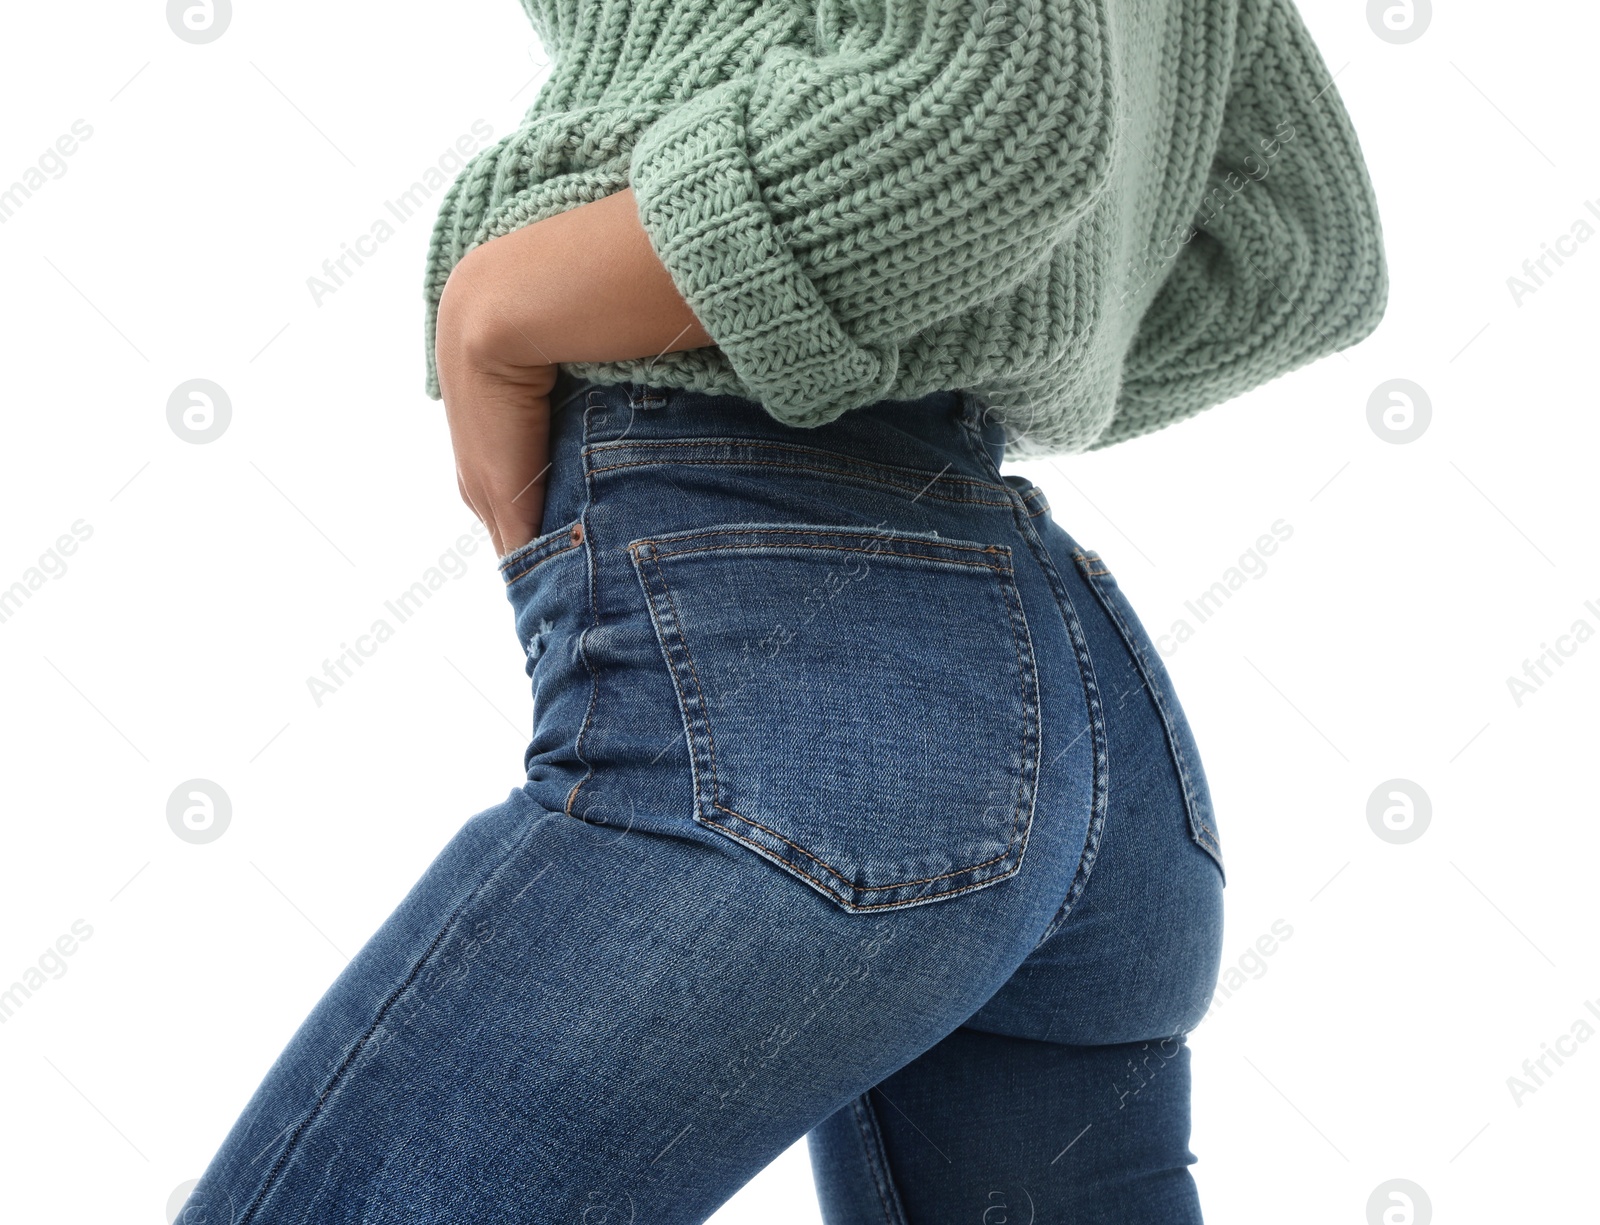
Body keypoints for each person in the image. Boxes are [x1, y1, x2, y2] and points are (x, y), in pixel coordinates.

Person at [176, 0, 1385, 1219]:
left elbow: (994, 116)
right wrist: (924, 327)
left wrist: (502, 304)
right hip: (1079, 727)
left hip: (790, 706)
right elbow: (1288, 250)